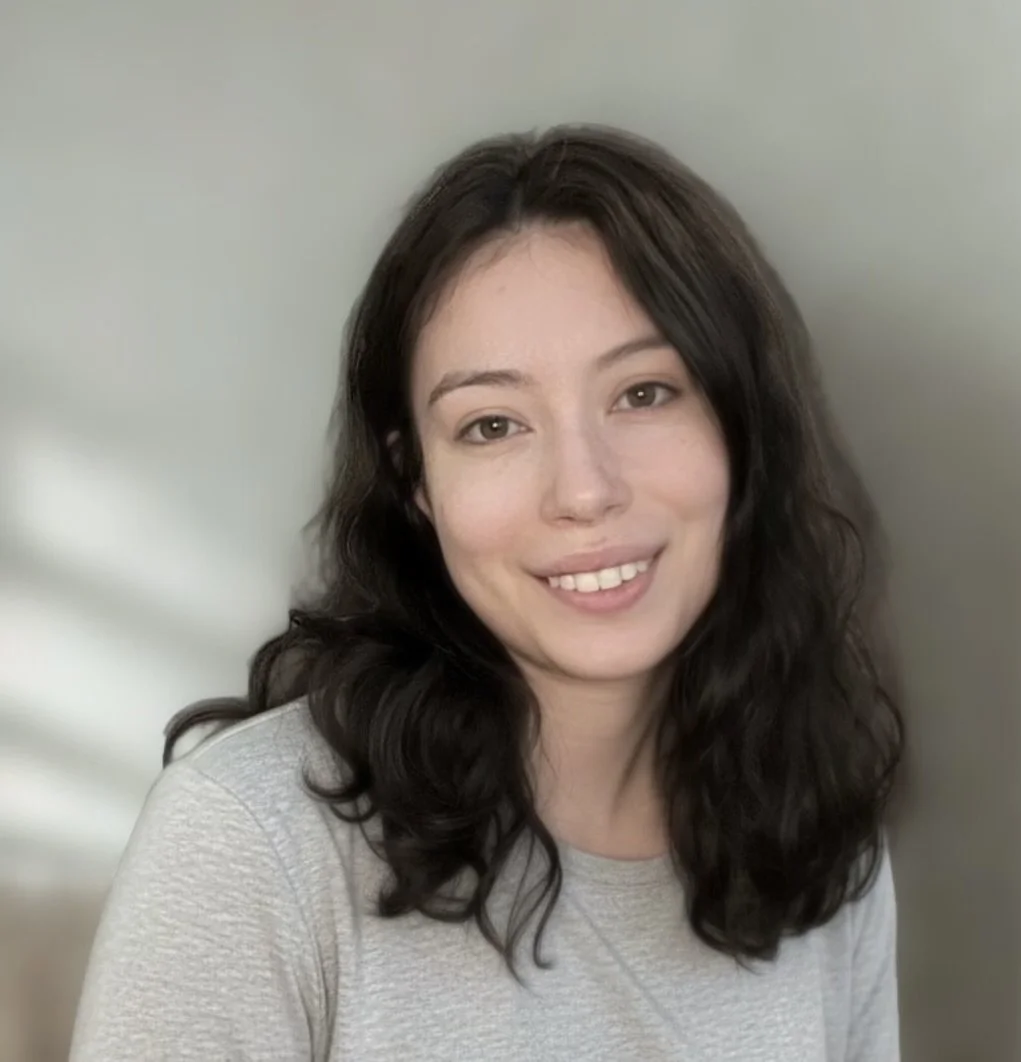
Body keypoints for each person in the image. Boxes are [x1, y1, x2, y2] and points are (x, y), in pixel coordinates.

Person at [70, 124, 904, 1061]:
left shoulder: (822, 850)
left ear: (740, 429)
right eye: (494, 423)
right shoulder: (248, 844)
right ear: (417, 483)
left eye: (643, 394)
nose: (585, 489)